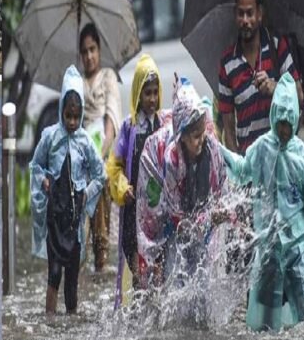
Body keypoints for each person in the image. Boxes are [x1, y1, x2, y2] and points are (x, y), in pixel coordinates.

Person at [221, 72, 304, 332]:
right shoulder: (261, 149)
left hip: (298, 250)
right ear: (273, 118)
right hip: (269, 248)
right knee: (264, 326)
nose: (283, 128)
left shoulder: (302, 159)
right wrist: (219, 150)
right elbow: (241, 170)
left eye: (288, 122)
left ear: (295, 121)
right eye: (280, 121)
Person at [30, 65, 106, 314]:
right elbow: (36, 165)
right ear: (61, 109)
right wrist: (43, 181)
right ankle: (49, 321)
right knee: (54, 275)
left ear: (82, 112)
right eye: (68, 116)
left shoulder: (85, 141)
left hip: (74, 220)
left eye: (77, 116)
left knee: (72, 281)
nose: (72, 122)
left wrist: (87, 193)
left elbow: (100, 174)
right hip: (55, 218)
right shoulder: (50, 137)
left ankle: (71, 326)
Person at [142, 79, 231, 290]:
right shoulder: (172, 161)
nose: (201, 140)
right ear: (181, 136)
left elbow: (223, 188)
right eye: (195, 136)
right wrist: (207, 219)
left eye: (202, 134)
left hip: (204, 228)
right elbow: (175, 215)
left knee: (203, 285)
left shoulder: (212, 149)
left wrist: (225, 214)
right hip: (176, 230)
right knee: (176, 284)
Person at [107, 54, 170, 308]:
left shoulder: (164, 126)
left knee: (158, 272)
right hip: (134, 214)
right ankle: (137, 316)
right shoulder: (128, 129)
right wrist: (122, 187)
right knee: (138, 271)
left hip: (157, 213)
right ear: (137, 94)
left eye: (156, 92)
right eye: (147, 93)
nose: (152, 99)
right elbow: (113, 167)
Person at [219, 0, 303, 155]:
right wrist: (238, 169)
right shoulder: (227, 63)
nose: (245, 20)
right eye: (240, 14)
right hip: (249, 168)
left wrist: (275, 88)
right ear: (235, 15)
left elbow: (299, 96)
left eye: (250, 13)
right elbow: (228, 125)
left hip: (281, 162)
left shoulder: (277, 47)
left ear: (260, 14)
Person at [79, 23, 123, 272]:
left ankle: (101, 262)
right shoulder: (77, 81)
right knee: (80, 226)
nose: (89, 56)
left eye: (93, 49)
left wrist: (102, 151)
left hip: (103, 156)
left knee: (101, 226)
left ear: (99, 49)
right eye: (84, 52)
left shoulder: (108, 77)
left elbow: (112, 119)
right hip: (81, 157)